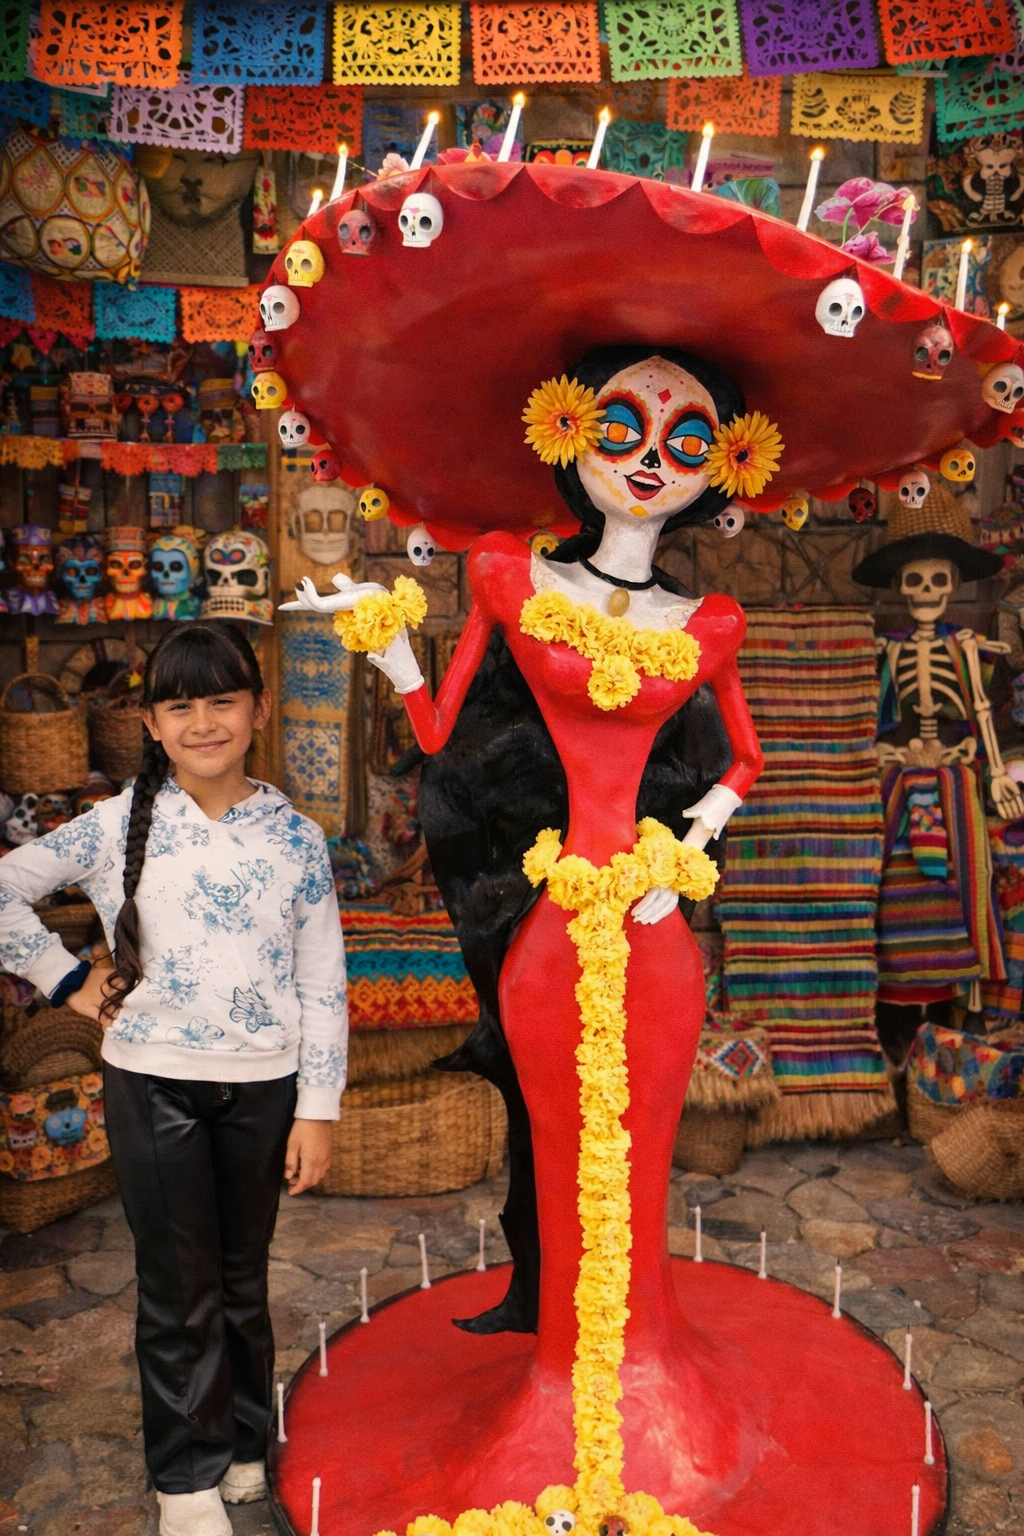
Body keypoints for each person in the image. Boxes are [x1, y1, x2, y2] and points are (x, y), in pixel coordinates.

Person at [285, 345, 765, 1509]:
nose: (650, 461)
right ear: (568, 438)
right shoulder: (508, 577)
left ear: (717, 472)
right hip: (553, 929)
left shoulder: (710, 618)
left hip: (652, 928)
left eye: (687, 441)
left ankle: (650, 1384)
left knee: (642, 1153)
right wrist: (386, 641)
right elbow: (444, 733)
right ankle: (557, 1387)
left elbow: (746, 759)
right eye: (622, 430)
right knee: (559, 1150)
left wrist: (687, 847)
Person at [0, 620, 348, 1536]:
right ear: (151, 723)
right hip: (152, 1083)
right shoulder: (115, 826)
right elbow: (4, 888)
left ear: (258, 710)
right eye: (178, 704)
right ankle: (184, 1480)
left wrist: (318, 1108)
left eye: (221, 700)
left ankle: (240, 1448)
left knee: (240, 1278)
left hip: (266, 1086)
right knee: (178, 1284)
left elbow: (323, 981)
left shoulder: (296, 838)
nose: (202, 722)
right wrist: (68, 979)